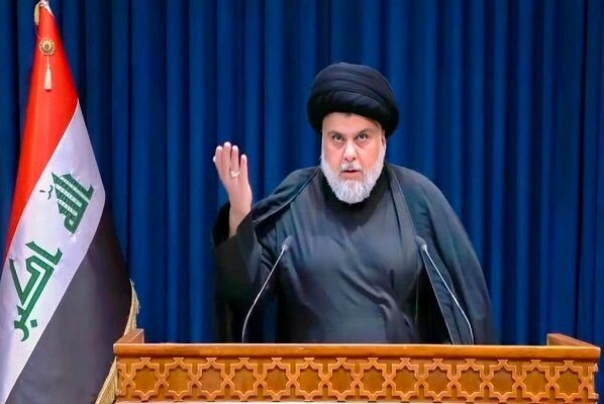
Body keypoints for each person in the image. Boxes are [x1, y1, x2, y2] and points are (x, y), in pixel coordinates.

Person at [212, 62, 496, 344]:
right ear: (322, 142)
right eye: (337, 138)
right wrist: (240, 211)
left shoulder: (417, 199)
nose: (349, 153)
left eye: (362, 138)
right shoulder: (294, 201)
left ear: (382, 141)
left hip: (402, 375)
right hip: (308, 375)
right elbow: (244, 296)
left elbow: (468, 310)